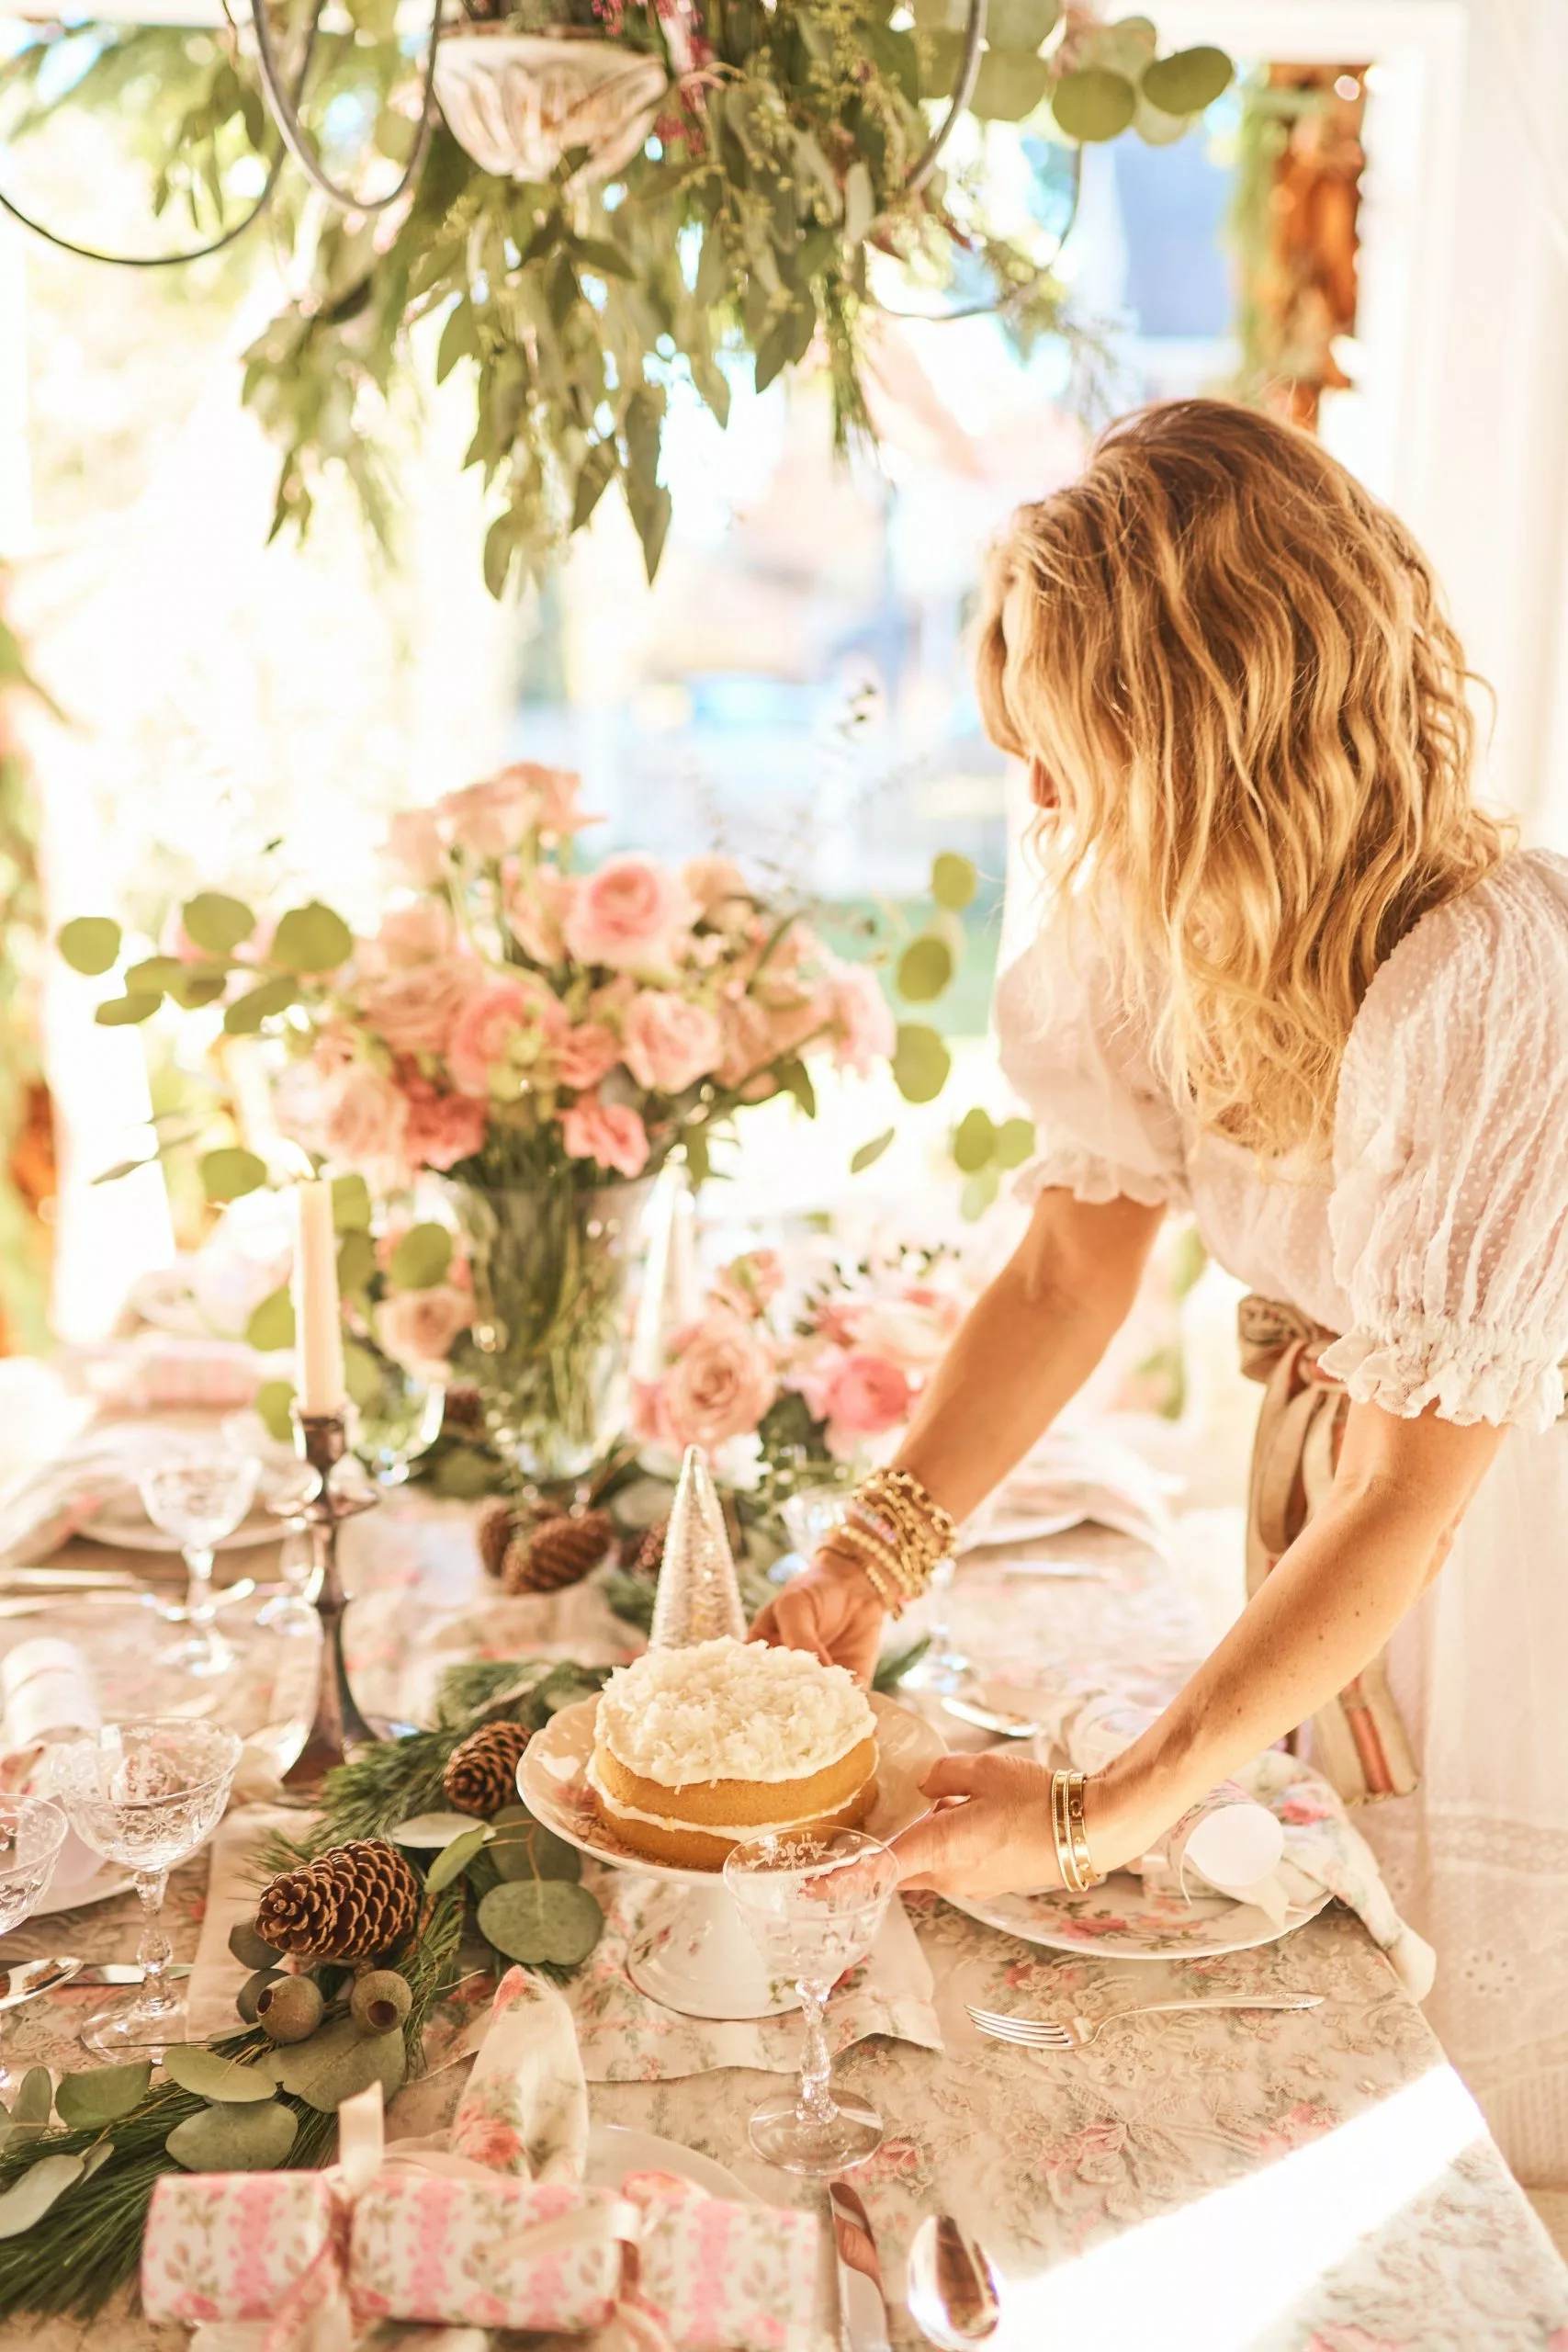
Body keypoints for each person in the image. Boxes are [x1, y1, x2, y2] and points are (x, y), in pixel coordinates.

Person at [750, 398, 1568, 2184]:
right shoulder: (1160, 926)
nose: (1035, 796)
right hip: (1344, 1517)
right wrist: (869, 1552)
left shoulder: (1487, 979)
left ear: (1208, 728)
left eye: (1061, 743)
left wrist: (1095, 1809)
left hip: (1502, 1546)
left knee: (1477, 2088)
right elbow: (1064, 1265)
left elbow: (1419, 1491)